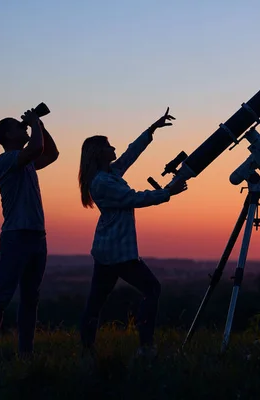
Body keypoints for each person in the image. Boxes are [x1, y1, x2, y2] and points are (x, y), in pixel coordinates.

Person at [78, 107, 188, 362]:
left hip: (111, 251)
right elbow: (134, 198)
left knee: (96, 302)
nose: (113, 147)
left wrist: (151, 130)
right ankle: (145, 346)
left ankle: (87, 351)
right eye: (108, 145)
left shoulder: (110, 174)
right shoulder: (103, 182)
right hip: (118, 252)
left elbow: (130, 154)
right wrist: (168, 193)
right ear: (99, 153)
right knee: (152, 289)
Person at [0, 108, 59, 364]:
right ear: (6, 135)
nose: (23, 128)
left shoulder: (26, 163)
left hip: (37, 236)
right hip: (16, 237)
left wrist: (40, 126)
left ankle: (26, 353)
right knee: (2, 296)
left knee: (30, 299)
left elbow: (51, 153)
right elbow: (36, 149)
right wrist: (34, 123)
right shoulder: (5, 161)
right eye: (18, 126)